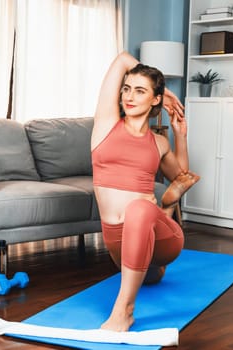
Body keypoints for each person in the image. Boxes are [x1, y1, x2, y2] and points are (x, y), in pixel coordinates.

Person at [91, 51, 199, 332]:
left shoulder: (159, 142)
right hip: (117, 239)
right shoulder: (106, 125)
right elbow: (122, 59)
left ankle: (123, 311)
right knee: (151, 277)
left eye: (140, 91)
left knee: (138, 209)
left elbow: (180, 176)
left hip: (165, 237)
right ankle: (155, 253)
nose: (129, 96)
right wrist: (169, 93)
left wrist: (181, 136)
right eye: (126, 89)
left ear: (154, 99)